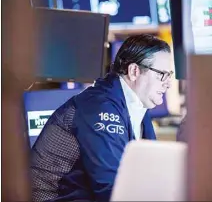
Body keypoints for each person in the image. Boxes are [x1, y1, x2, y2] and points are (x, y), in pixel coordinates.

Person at [30, 34, 173, 202]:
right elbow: (110, 187)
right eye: (162, 75)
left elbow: (149, 173)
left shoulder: (137, 105)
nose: (168, 83)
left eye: (169, 75)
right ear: (134, 71)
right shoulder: (100, 107)